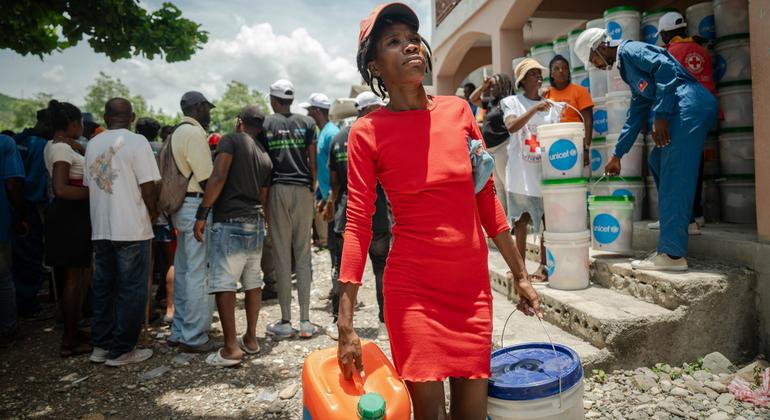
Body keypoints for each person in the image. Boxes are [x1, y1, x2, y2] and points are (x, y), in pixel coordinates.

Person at [338, 4, 542, 418]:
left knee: (471, 414)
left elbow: (486, 198)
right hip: (413, 294)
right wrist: (346, 323)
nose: (410, 45)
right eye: (393, 42)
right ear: (375, 66)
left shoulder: (458, 111)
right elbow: (358, 225)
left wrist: (520, 275)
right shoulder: (366, 133)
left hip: (470, 290)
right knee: (427, 414)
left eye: (412, 37)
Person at [575, 27, 718, 271]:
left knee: (673, 171)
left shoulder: (630, 50)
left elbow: (666, 68)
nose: (596, 65)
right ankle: (686, 221)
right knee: (658, 159)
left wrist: (661, 115)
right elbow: (636, 112)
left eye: (594, 59)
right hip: (682, 107)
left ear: (600, 46)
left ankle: (672, 255)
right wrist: (617, 155)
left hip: (688, 105)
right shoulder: (628, 69)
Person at [192, 106, 273, 367]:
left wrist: (202, 213)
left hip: (230, 222)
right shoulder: (264, 154)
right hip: (255, 223)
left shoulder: (231, 140)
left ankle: (230, 348)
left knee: (224, 284)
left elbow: (218, 175)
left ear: (240, 122)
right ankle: (250, 339)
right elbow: (264, 196)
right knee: (252, 282)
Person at [85, 97, 160, 366]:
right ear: (132, 117)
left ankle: (101, 346)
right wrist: (153, 213)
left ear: (105, 117)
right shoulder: (137, 141)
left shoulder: (93, 143)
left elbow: (89, 184)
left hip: (101, 227)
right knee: (132, 289)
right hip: (131, 227)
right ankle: (122, 350)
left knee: (104, 287)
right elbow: (148, 186)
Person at [323, 91, 390, 341]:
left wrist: (331, 205)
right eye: (377, 108)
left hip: (347, 214)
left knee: (344, 271)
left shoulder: (339, 138)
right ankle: (383, 323)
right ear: (368, 109)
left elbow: (335, 182)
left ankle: (337, 321)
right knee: (380, 269)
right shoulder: (380, 135)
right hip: (377, 214)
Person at [261, 79, 318, 339]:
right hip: (303, 190)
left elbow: (264, 163)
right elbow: (312, 158)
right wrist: (312, 188)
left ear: (273, 100)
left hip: (277, 190)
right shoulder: (307, 123)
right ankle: (305, 321)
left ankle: (285, 320)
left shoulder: (266, 124)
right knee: (303, 254)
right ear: (291, 100)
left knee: (282, 255)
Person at [501, 59, 563, 282]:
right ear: (522, 81)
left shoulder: (551, 107)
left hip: (544, 172)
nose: (539, 77)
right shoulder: (512, 103)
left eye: (539, 73)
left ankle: (544, 267)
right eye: (532, 74)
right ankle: (521, 269)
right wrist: (534, 109)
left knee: (546, 220)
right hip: (520, 173)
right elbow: (511, 126)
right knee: (521, 222)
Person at [656, 11, 717, 234]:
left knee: (677, 167)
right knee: (697, 163)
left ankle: (684, 218)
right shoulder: (702, 51)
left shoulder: (671, 52)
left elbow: (667, 86)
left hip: (683, 115)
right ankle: (697, 214)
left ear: (665, 33)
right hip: (706, 111)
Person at [167, 91, 217, 352]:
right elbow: (207, 179)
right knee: (199, 273)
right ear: (198, 107)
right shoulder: (194, 133)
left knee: (185, 270)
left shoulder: (176, 132)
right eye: (207, 108)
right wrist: (207, 212)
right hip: (195, 205)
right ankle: (194, 336)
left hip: (180, 207)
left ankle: (179, 331)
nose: (209, 113)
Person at [43, 100, 91, 357]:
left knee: (75, 277)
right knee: (73, 279)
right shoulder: (62, 149)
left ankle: (74, 329)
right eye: (81, 123)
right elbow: (61, 188)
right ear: (73, 124)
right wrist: (93, 193)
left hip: (69, 216)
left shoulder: (59, 145)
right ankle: (69, 340)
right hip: (70, 216)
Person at [12, 108, 52, 319]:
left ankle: (18, 303)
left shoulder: (18, 139)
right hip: (28, 208)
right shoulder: (41, 145)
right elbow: (36, 183)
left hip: (12, 206)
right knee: (30, 256)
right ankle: (28, 305)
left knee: (17, 258)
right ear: (47, 124)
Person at [301, 93, 339, 297]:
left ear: (316, 111)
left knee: (336, 244)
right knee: (332, 245)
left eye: (309, 111)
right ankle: (337, 287)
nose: (307, 115)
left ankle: (340, 288)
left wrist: (331, 198)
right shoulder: (324, 132)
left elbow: (339, 169)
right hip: (328, 197)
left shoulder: (330, 133)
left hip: (335, 198)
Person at [468, 73, 514, 216]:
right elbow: (472, 98)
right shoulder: (491, 102)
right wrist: (484, 86)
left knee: (507, 185)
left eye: (495, 85)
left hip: (502, 146)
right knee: (498, 187)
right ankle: (505, 221)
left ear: (503, 85)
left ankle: (515, 220)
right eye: (492, 85)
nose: (492, 88)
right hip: (491, 149)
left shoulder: (508, 102)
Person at [544, 54, 594, 167]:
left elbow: (588, 121)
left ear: (569, 72)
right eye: (556, 68)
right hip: (553, 146)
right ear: (551, 74)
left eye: (565, 68)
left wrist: (586, 148)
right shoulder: (546, 94)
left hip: (575, 144)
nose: (561, 71)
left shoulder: (580, 92)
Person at [0, 133, 26, 347]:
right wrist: (20, 215)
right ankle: (9, 328)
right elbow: (12, 184)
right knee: (3, 278)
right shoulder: (5, 143)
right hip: (1, 220)